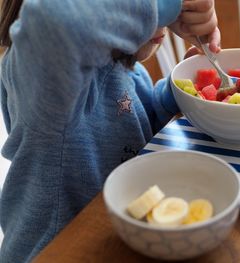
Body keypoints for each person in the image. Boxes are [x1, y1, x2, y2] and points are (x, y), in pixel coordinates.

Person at [0, 0, 221, 262]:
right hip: (55, 251)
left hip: (117, 239)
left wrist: (175, 94)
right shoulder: (45, 76)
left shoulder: (124, 67)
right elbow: (52, 18)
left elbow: (134, 127)